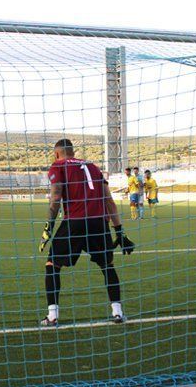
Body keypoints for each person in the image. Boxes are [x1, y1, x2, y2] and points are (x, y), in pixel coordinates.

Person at [39, 139, 135, 326]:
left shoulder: (58, 165)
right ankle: (117, 312)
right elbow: (109, 201)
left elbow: (56, 196)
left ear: (57, 153)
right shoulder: (93, 167)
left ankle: (52, 316)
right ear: (73, 152)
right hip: (99, 223)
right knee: (107, 265)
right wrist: (120, 232)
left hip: (74, 222)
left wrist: (49, 226)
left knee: (52, 265)